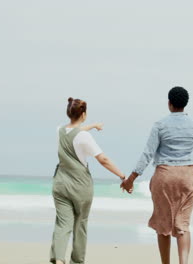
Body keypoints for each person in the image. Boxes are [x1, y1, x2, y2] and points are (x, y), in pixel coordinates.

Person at [121, 87, 193, 264]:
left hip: (165, 177)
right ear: (185, 104)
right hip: (188, 178)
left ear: (169, 103)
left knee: (163, 225)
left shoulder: (160, 125)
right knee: (183, 226)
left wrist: (131, 179)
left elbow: (147, 154)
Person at [50, 97, 126, 264]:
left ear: (68, 113)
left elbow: (75, 132)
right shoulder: (84, 137)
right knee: (80, 224)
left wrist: (92, 126)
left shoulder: (59, 130)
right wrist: (122, 176)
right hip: (80, 186)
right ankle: (76, 261)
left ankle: (59, 260)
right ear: (83, 114)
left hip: (60, 184)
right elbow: (103, 159)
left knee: (63, 223)